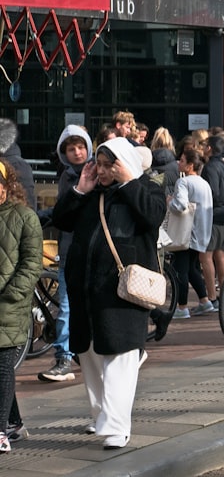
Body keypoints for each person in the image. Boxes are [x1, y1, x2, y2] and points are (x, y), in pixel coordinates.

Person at [50, 138, 166, 450]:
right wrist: (79, 190)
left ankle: (117, 427)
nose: (101, 170)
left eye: (108, 164)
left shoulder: (146, 189)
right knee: (89, 355)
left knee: (119, 358)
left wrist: (129, 181)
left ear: (123, 163)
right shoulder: (92, 194)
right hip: (87, 291)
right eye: (98, 164)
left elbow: (153, 216)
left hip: (121, 295)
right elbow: (60, 220)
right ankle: (101, 416)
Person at [38, 125, 93, 384]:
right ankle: (63, 357)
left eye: (81, 147)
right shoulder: (66, 177)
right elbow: (62, 211)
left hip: (91, 252)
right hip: (69, 251)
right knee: (68, 308)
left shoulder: (95, 173)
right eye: (71, 149)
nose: (77, 152)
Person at [0, 160, 43, 453]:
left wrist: (13, 295)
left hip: (8, 305)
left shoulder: (24, 218)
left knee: (2, 367)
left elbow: (31, 264)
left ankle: (0, 431)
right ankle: (13, 423)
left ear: (5, 187)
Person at [168, 148, 215, 318]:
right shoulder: (204, 183)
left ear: (189, 165)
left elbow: (180, 205)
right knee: (192, 269)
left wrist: (170, 202)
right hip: (202, 233)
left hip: (187, 233)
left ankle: (182, 307)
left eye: (181, 160)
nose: (178, 163)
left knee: (180, 270)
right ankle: (204, 301)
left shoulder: (183, 182)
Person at [200, 134, 224, 311]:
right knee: (221, 254)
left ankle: (212, 297)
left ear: (210, 148)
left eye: (206, 145)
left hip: (212, 214)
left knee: (206, 255)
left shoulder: (209, 167)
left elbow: (211, 191)